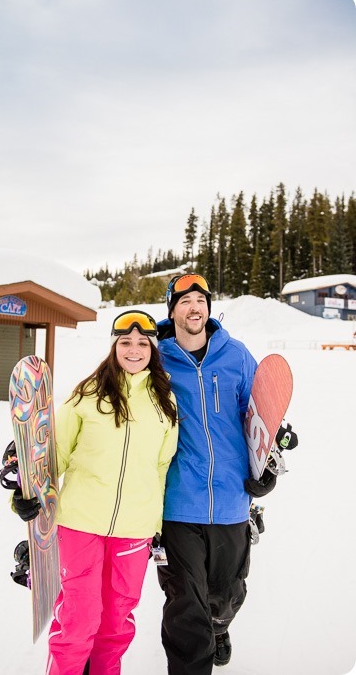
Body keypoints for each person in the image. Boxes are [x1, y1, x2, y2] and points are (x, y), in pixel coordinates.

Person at [11, 309, 178, 675]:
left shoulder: (166, 402)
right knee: (79, 619)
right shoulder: (88, 393)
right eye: (125, 343)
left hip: (134, 529)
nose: (133, 350)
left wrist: (158, 526)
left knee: (117, 623)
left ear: (152, 347)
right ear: (114, 347)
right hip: (80, 522)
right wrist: (28, 492)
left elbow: (162, 468)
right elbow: (54, 454)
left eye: (141, 343)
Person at [156, 273, 296, 675]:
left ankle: (219, 627)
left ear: (208, 308)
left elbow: (261, 416)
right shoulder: (158, 360)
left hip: (232, 501)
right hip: (179, 504)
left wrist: (265, 467)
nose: (194, 307)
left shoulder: (234, 355)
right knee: (184, 604)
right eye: (184, 301)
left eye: (200, 300)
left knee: (227, 594)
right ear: (172, 310)